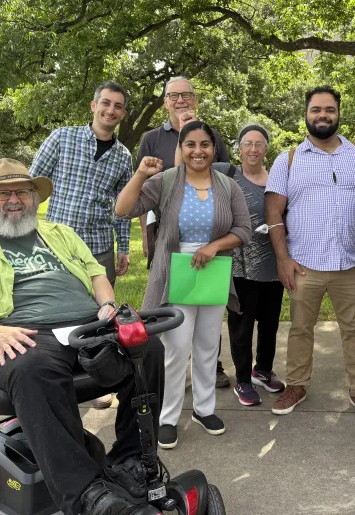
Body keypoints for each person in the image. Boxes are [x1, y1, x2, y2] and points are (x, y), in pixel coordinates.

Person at [0, 159, 163, 515]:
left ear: (34, 198)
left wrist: (108, 307)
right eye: (2, 193)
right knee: (33, 368)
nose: (14, 200)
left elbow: (96, 275)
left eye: (22, 191)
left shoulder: (61, 235)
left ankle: (130, 460)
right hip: (13, 331)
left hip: (85, 324)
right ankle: (87, 496)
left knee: (146, 348)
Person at [116, 121, 251, 449]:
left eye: (205, 144)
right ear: (181, 148)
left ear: (214, 149)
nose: (198, 151)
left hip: (213, 270)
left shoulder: (227, 186)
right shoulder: (166, 181)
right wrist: (140, 175)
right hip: (175, 272)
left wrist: (214, 246)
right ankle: (168, 417)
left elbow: (243, 229)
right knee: (175, 349)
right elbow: (123, 209)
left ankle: (204, 409)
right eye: (190, 144)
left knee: (208, 345)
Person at [265, 85, 355, 421]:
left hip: (353, 262)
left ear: (338, 114)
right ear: (306, 113)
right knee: (301, 328)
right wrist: (283, 259)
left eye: (329, 110)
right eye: (316, 109)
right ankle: (297, 385)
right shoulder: (287, 159)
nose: (322, 115)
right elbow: (273, 215)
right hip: (304, 264)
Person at [30, 81, 135, 409]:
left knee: (98, 314)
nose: (110, 110)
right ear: (93, 105)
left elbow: (123, 207)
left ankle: (97, 379)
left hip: (99, 245)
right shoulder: (62, 138)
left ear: (123, 113)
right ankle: (57, 374)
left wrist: (124, 247)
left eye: (117, 106)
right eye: (105, 103)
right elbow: (33, 185)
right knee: (56, 311)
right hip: (57, 244)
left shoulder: (123, 157)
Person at [136, 76, 232, 389]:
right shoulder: (152, 138)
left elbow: (223, 180)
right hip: (166, 239)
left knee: (207, 303)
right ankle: (169, 372)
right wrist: (146, 238)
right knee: (170, 309)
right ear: (164, 102)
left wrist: (194, 132)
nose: (180, 101)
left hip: (207, 238)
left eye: (186, 95)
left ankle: (210, 366)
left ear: (196, 100)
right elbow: (148, 191)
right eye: (173, 96)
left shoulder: (212, 136)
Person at [213, 124, 286, 406]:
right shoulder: (226, 173)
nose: (253, 149)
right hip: (240, 266)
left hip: (273, 263)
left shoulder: (279, 178)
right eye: (247, 144)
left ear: (266, 149)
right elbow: (188, 162)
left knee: (270, 325)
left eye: (259, 144)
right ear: (239, 148)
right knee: (241, 327)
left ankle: (263, 371)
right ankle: (243, 380)